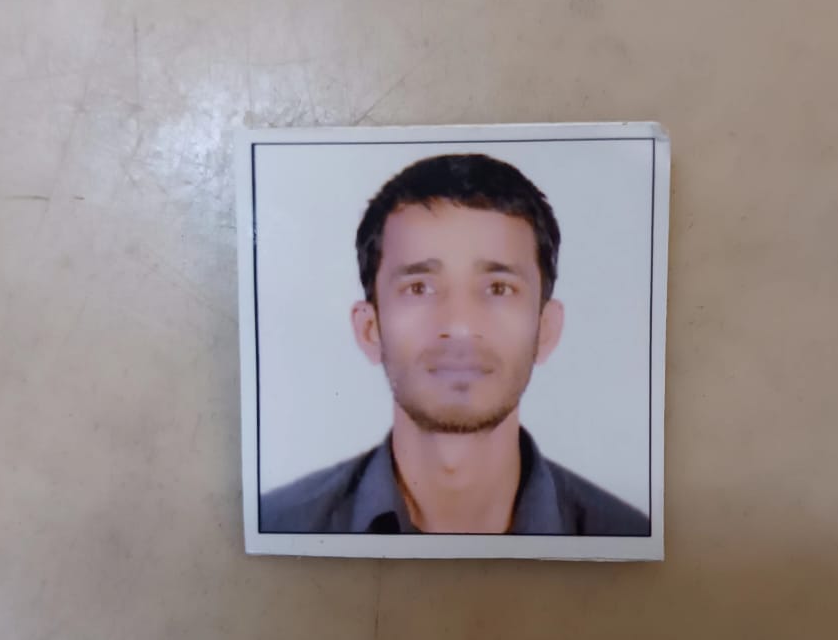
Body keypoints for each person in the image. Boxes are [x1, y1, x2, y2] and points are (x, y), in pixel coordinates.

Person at [261, 154, 649, 536]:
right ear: (370, 329)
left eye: (499, 288)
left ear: (545, 329)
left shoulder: (626, 539)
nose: (459, 327)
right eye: (419, 288)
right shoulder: (281, 529)